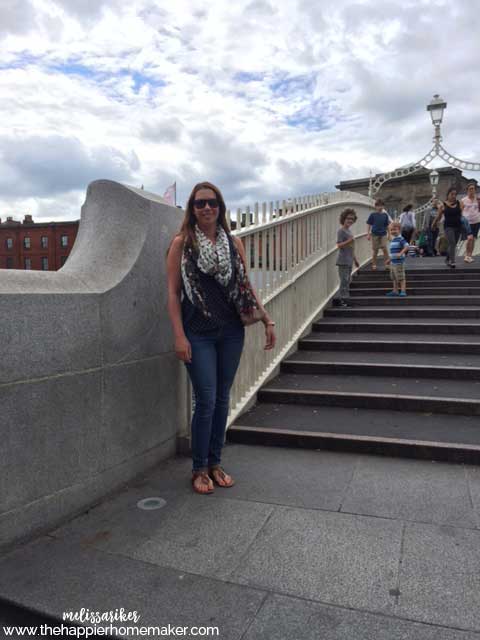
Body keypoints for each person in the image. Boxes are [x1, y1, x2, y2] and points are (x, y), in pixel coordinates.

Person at [166, 182, 276, 494]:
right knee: (206, 399)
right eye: (200, 203)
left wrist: (265, 318)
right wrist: (178, 335)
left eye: (212, 203)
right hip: (197, 332)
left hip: (230, 331)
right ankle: (199, 467)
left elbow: (246, 286)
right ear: (192, 208)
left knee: (222, 399)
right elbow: (173, 295)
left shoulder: (234, 243)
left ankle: (215, 462)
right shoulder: (182, 244)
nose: (206, 208)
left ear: (220, 207)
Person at [333, 208, 360, 308]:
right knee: (344, 280)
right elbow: (339, 245)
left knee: (347, 280)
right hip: (343, 260)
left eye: (352, 219)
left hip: (349, 260)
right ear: (343, 218)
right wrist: (349, 240)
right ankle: (342, 300)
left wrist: (355, 260)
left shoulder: (349, 231)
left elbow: (351, 248)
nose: (350, 221)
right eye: (348, 218)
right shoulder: (341, 231)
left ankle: (345, 299)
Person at [432, 187, 463, 268]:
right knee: (452, 243)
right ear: (448, 194)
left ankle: (447, 259)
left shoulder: (460, 203)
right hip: (448, 227)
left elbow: (462, 215)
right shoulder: (443, 205)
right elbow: (438, 216)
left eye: (455, 194)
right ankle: (452, 261)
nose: (453, 196)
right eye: (452, 194)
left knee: (453, 244)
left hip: (458, 226)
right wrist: (434, 224)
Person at [366, 199, 391, 271]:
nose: (380, 207)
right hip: (375, 234)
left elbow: (387, 225)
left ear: (383, 206)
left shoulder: (385, 215)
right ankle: (374, 264)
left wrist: (389, 234)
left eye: (382, 205)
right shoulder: (372, 215)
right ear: (375, 206)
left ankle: (387, 264)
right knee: (375, 250)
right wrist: (368, 234)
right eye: (378, 206)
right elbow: (368, 224)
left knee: (384, 247)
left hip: (383, 233)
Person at [386, 221, 409, 297]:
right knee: (394, 277)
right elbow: (392, 252)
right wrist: (389, 259)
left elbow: (406, 246)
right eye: (391, 230)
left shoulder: (400, 239)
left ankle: (403, 291)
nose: (393, 231)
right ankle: (395, 291)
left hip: (399, 262)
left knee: (401, 277)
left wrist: (401, 253)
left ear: (399, 230)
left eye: (395, 229)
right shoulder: (393, 239)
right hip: (393, 262)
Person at [461, 182, 480, 263]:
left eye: (473, 189)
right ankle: (466, 255)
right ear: (467, 190)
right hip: (467, 222)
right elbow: (460, 211)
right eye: (470, 189)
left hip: (476, 221)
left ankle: (470, 255)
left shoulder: (478, 199)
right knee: (469, 238)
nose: (472, 190)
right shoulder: (463, 200)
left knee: (474, 239)